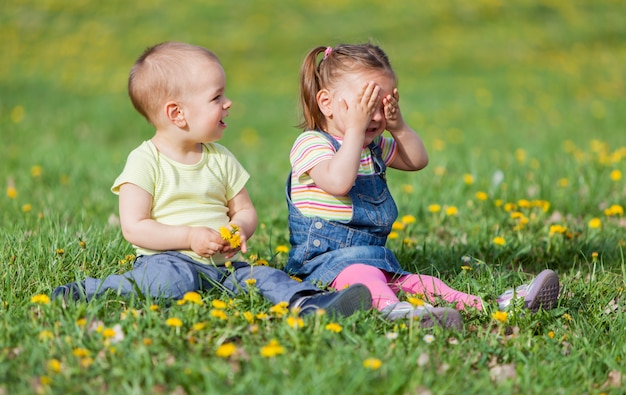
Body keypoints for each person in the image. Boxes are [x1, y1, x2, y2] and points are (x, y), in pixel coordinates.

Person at [52, 41, 372, 317]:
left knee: (264, 277)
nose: (227, 103)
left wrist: (237, 229)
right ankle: (88, 291)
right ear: (177, 114)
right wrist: (190, 238)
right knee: (171, 283)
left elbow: (245, 210)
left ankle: (310, 304)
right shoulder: (145, 161)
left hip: (223, 266)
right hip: (168, 260)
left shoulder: (220, 158)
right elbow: (134, 227)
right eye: (216, 97)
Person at [284, 43, 560, 329]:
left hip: (374, 258)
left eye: (382, 106)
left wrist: (399, 126)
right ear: (326, 103)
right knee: (366, 280)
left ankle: (498, 304)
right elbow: (339, 182)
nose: (375, 117)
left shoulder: (371, 146)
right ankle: (398, 313)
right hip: (322, 266)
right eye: (365, 105)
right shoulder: (311, 144)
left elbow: (416, 160)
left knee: (424, 283)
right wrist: (355, 128)